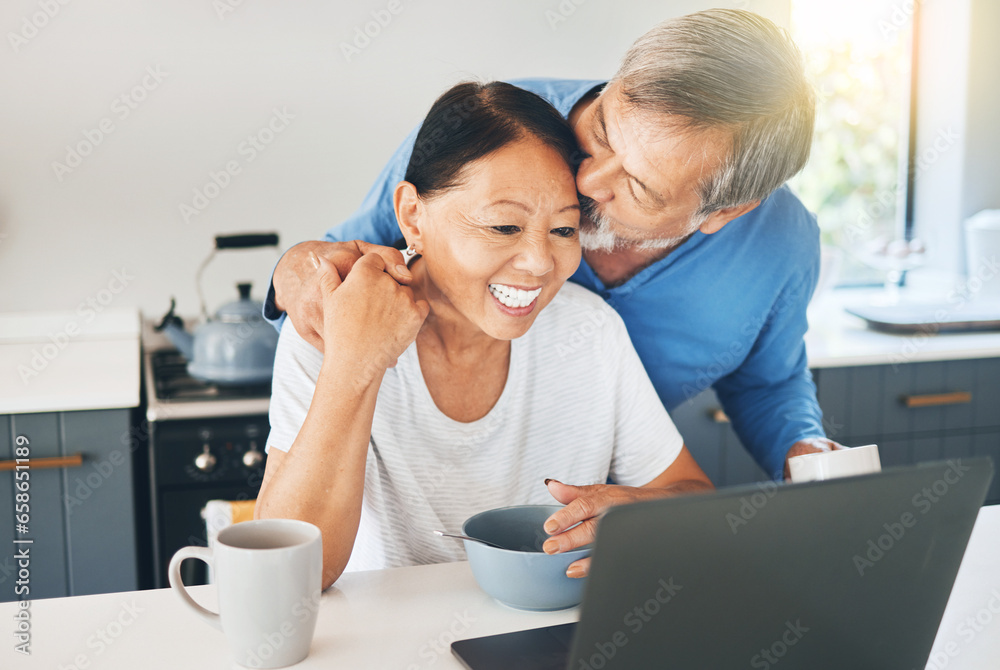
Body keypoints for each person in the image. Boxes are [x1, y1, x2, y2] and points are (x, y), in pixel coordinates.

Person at [264, 9, 845, 567]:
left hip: (604, 536)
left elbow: (770, 384)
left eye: (640, 188)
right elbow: (342, 264)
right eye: (602, 132)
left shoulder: (772, 253)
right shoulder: (498, 130)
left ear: (724, 212)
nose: (588, 179)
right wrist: (295, 275)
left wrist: (806, 449)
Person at [255, 81, 713, 588]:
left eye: (564, 230)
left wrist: (637, 520)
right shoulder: (327, 323)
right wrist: (354, 361)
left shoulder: (591, 331)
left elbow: (691, 493)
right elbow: (284, 576)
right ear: (412, 215)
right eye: (503, 227)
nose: (540, 262)